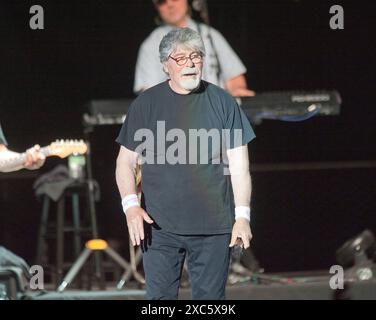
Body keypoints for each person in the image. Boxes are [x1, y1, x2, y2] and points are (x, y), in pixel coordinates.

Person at [116, 28, 255, 299]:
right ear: (165, 65)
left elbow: (240, 167)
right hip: (158, 229)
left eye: (196, 56)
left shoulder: (224, 102)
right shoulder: (145, 105)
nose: (190, 63)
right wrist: (131, 207)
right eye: (180, 58)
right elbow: (125, 163)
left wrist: (242, 217)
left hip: (214, 228)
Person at [134, 0, 255, 97]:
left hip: (216, 118)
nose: (170, 4)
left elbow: (235, 80)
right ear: (156, 7)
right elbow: (148, 94)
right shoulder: (149, 45)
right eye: (162, 1)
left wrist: (237, 92)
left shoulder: (210, 35)